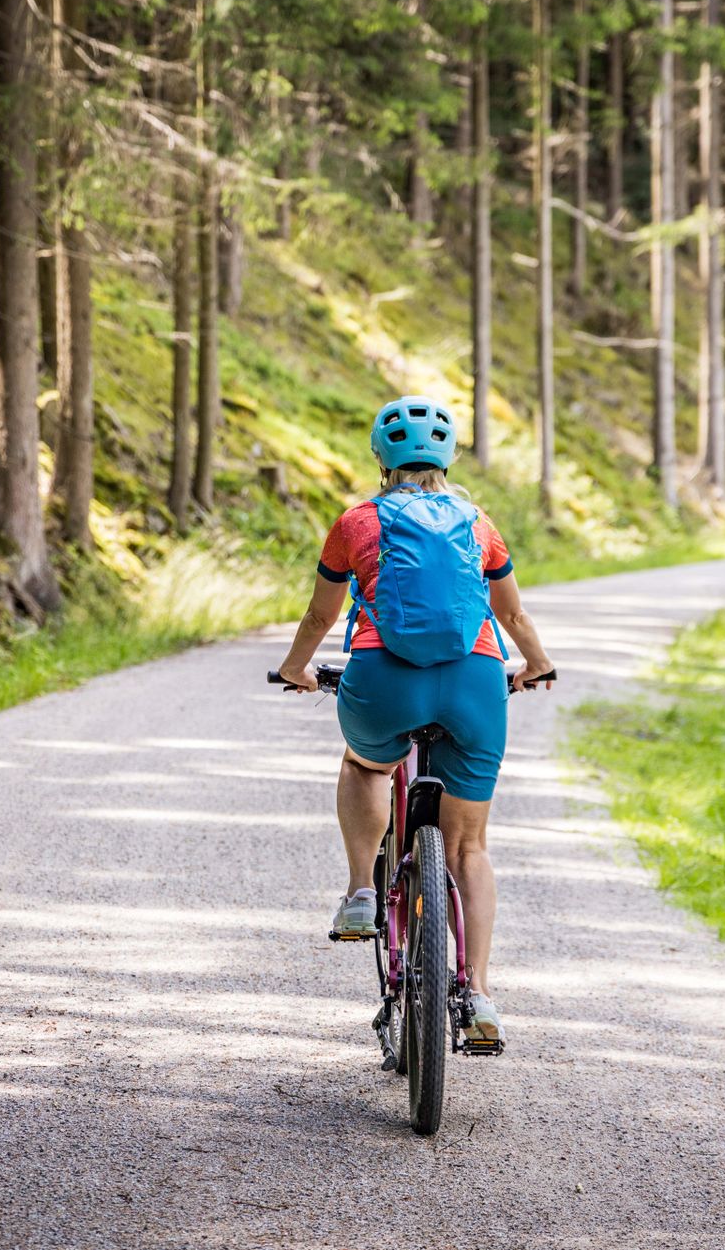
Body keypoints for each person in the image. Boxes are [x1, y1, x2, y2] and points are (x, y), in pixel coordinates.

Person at [275, 396, 555, 1044]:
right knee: (469, 847)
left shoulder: (356, 523)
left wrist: (296, 669)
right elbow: (511, 618)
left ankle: (360, 891)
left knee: (366, 761)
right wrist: (536, 664)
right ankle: (479, 996)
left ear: (381, 457)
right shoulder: (480, 523)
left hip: (383, 677)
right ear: (449, 457)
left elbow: (320, 620)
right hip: (475, 681)